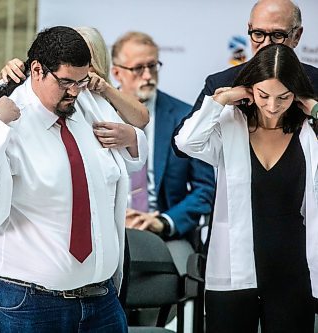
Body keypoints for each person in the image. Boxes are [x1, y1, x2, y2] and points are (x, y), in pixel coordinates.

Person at [0, 26, 147, 332]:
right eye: (65, 82)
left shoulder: (88, 104)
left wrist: (133, 138)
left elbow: (127, 163)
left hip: (101, 300)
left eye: (80, 81)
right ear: (36, 70)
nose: (74, 92)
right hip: (29, 303)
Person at [175, 43, 318, 333]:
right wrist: (221, 100)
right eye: (264, 95)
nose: (272, 106)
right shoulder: (230, 125)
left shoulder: (308, 131)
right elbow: (186, 142)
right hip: (233, 265)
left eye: (284, 97)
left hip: (294, 270)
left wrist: (315, 108)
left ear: (297, 95)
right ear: (250, 90)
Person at [111, 31, 215, 275]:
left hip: (165, 233)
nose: (148, 76)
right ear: (117, 73)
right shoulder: (95, 112)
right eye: (138, 68)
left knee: (170, 281)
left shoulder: (185, 117)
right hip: (108, 231)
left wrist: (163, 222)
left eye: (153, 65)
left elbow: (206, 189)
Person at [0, 26, 149, 130]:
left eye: (84, 63)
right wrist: (6, 74)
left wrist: (106, 89)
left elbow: (142, 119)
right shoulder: (40, 84)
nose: (73, 90)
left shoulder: (103, 97)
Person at [190, 0, 318, 114]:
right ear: (249, 29)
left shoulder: (316, 82)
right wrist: (219, 103)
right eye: (258, 34)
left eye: (278, 35)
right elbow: (181, 140)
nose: (266, 44)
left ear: (297, 36)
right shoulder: (220, 83)